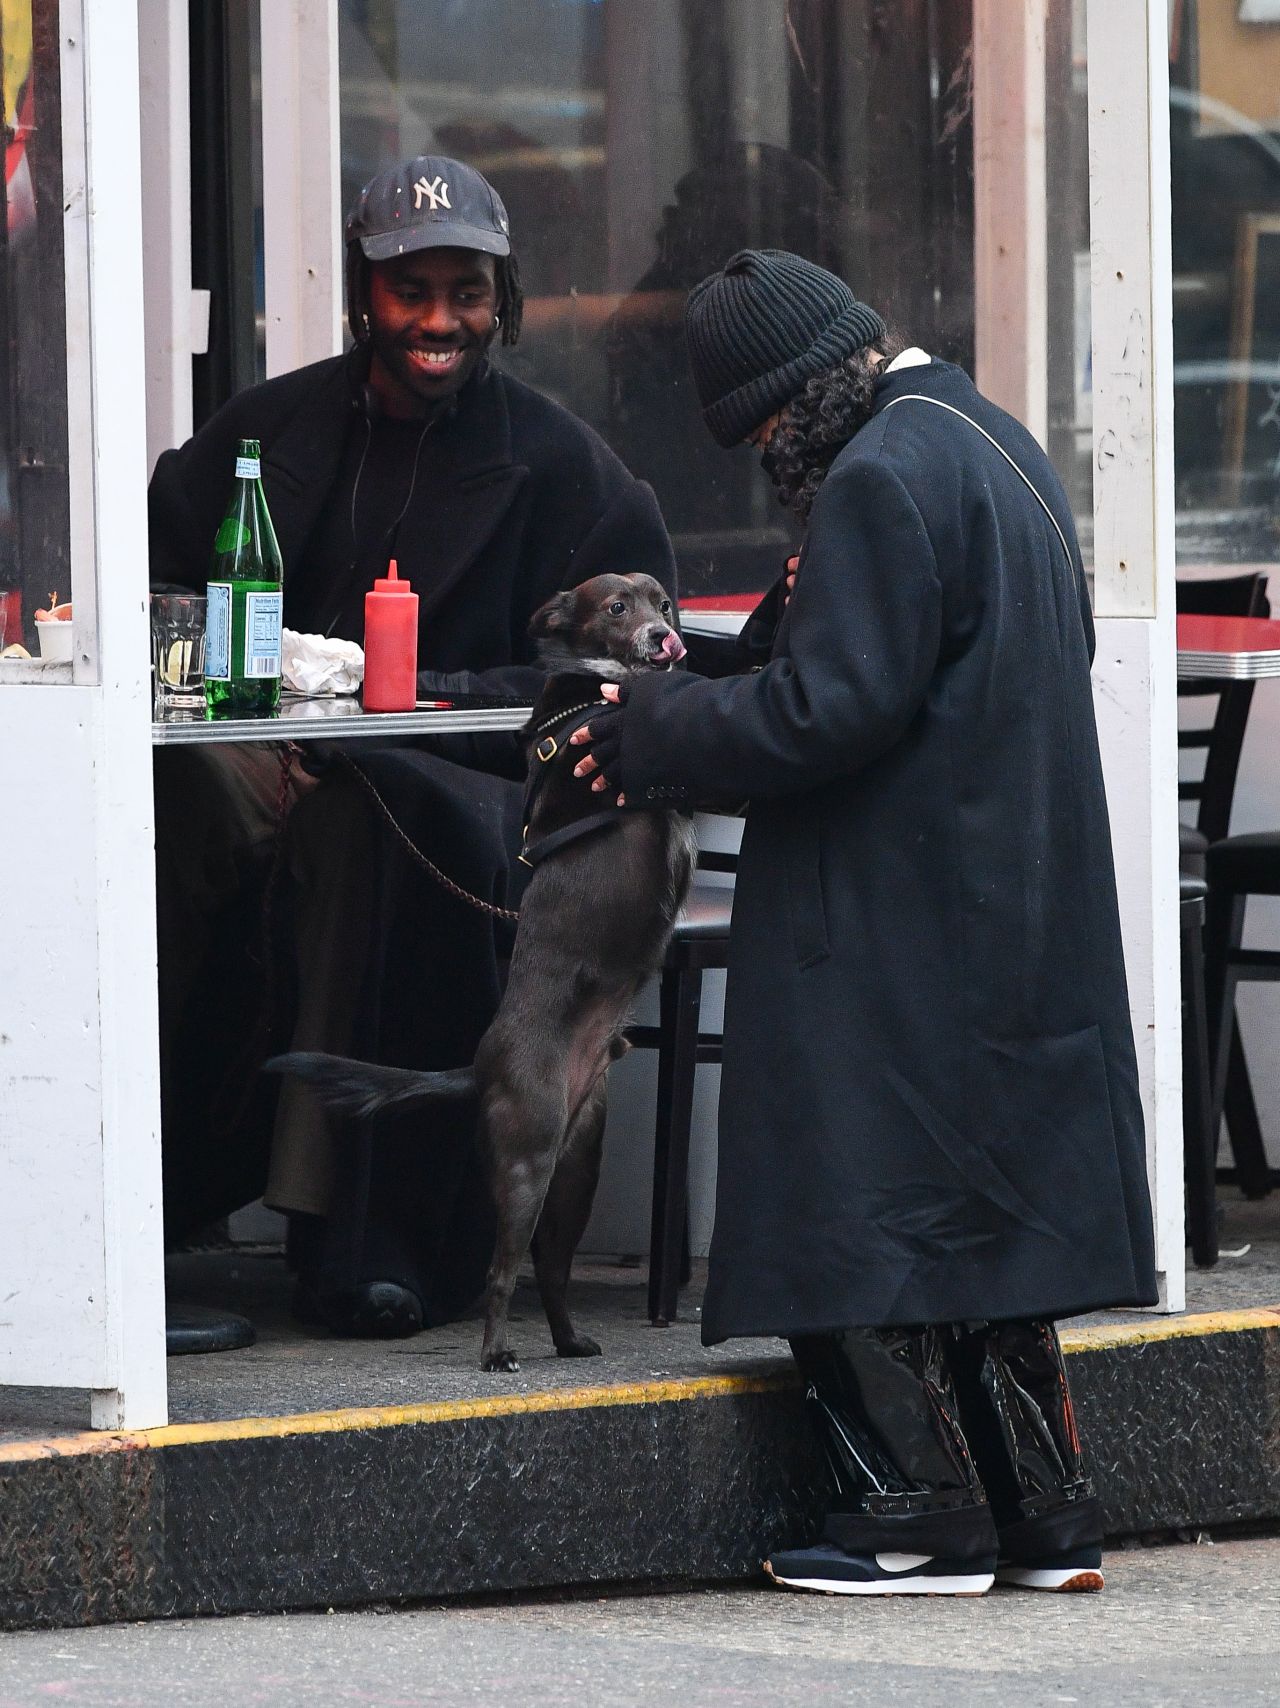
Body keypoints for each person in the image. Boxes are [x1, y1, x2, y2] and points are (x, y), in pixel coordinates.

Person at [570, 249, 1157, 1596]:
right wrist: (696, 681)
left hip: (898, 923)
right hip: (1006, 907)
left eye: (768, 428)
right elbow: (875, 665)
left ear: (807, 393)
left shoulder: (885, 479)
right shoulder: (987, 440)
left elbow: (825, 709)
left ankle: (914, 1518)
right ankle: (1042, 1516)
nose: (772, 459)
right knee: (983, 1228)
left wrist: (651, 729)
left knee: (854, 1200)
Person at [148, 155, 675, 1336]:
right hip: (265, 748)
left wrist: (419, 707)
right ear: (362, 295)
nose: (439, 320)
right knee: (158, 795)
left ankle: (354, 1231)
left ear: (506, 300)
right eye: (410, 290)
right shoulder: (269, 427)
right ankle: (146, 1192)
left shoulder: (563, 466)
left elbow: (627, 663)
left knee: (371, 816)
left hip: (466, 781)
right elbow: (161, 563)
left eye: (466, 292)